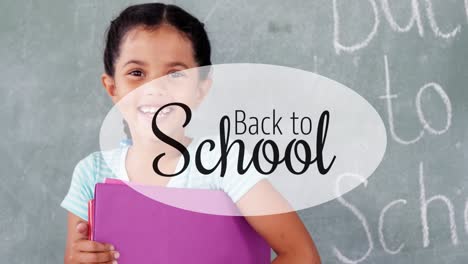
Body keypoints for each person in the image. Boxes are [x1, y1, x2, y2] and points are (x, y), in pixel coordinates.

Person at [61, 3, 321, 263]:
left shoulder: (224, 165)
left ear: (200, 90)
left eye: (175, 74)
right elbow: (75, 259)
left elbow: (302, 255)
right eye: (136, 73)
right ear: (112, 88)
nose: (154, 89)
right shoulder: (92, 174)